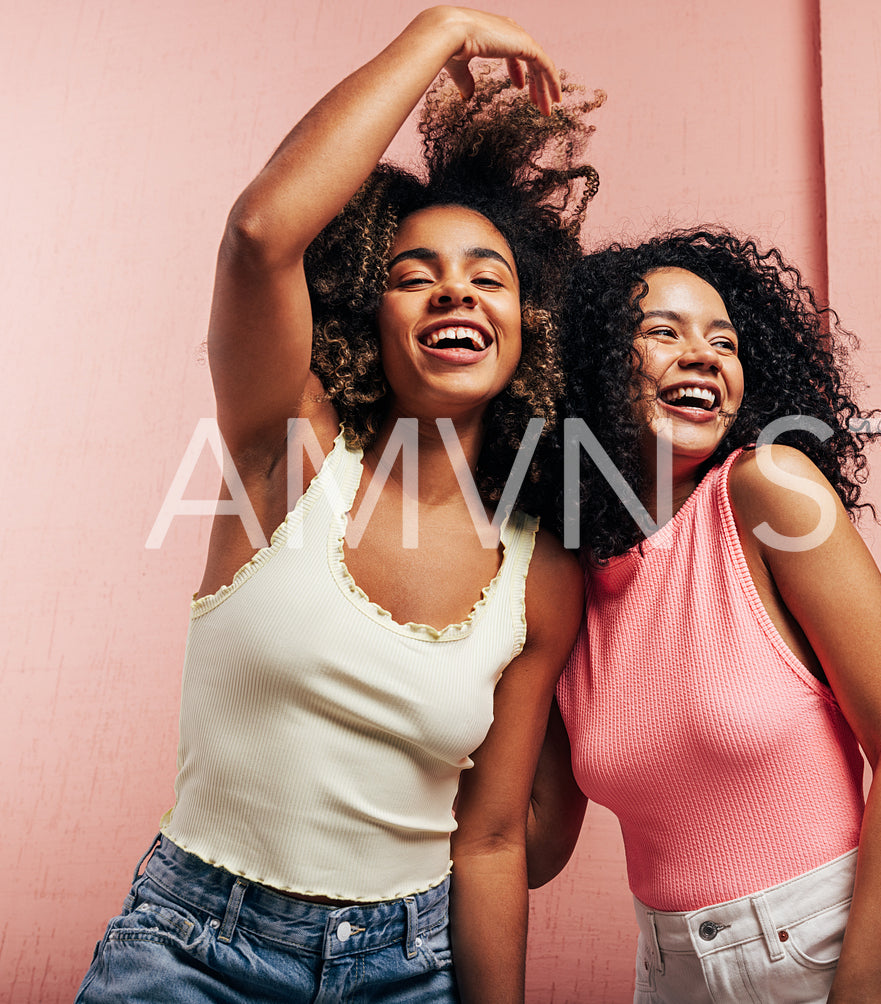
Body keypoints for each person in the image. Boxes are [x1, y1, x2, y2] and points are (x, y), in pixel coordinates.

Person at [74, 8, 597, 1002]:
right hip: (192, 950)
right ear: (370, 314)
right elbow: (262, 231)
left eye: (487, 277)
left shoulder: (540, 571)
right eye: (415, 276)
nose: (455, 294)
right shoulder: (289, 451)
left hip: (408, 968)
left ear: (527, 330)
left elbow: (489, 840)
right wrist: (436, 32)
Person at [545, 230, 881, 1003]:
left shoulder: (768, 489)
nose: (702, 354)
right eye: (662, 331)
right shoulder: (559, 576)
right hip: (665, 972)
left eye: (724, 340)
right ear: (590, 367)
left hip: (829, 954)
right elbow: (529, 847)